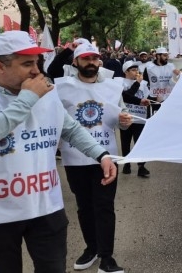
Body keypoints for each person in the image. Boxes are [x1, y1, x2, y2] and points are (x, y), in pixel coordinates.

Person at [0, 30, 117, 272]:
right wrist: (28, 98)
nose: (36, 70)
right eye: (27, 64)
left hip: (44, 202)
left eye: (37, 62)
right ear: (0, 67)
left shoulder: (45, 91)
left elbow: (70, 129)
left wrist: (101, 155)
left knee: (53, 267)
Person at [55, 41, 131, 273]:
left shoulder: (112, 88)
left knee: (104, 206)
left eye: (94, 58)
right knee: (84, 206)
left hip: (106, 157)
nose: (91, 63)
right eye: (85, 58)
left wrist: (125, 122)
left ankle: (107, 257)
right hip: (74, 159)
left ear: (99, 61)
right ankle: (92, 248)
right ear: (75, 62)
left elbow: (122, 119)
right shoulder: (62, 89)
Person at [120, 60, 151, 177]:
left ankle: (141, 166)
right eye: (133, 70)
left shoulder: (144, 83)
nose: (136, 72)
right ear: (126, 72)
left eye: (137, 70)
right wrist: (137, 83)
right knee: (125, 142)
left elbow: (147, 96)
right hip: (126, 117)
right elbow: (127, 96)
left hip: (140, 118)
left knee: (139, 142)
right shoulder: (120, 82)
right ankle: (126, 163)